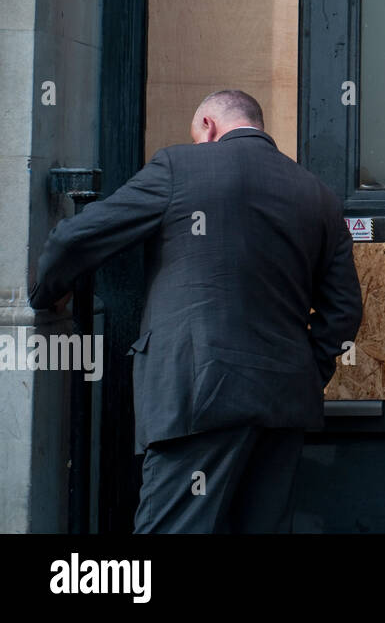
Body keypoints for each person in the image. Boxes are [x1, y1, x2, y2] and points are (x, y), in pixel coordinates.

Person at [29, 89, 363, 533]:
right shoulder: (317, 196)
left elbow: (74, 239)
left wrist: (46, 295)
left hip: (197, 393)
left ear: (208, 125)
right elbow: (343, 311)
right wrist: (304, 369)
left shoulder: (181, 167)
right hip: (282, 402)